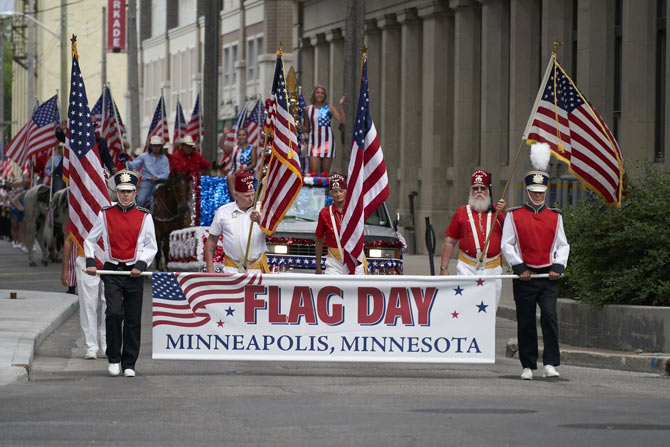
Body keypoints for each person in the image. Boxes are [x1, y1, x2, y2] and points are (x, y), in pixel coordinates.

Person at [84, 170, 157, 378]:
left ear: (135, 193)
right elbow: (90, 241)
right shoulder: (105, 213)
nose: (125, 195)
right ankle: (114, 358)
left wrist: (141, 265)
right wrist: (90, 261)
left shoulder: (145, 216)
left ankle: (129, 363)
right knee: (114, 313)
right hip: (112, 270)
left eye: (129, 191)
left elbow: (152, 246)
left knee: (133, 319)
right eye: (122, 191)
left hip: (134, 272)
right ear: (116, 192)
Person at [501, 170, 570, 381]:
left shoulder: (555, 216)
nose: (537, 196)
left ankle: (550, 363)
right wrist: (519, 267)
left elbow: (563, 244)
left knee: (550, 318)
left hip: (548, 277)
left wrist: (558, 266)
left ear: (545, 192)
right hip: (525, 276)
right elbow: (507, 244)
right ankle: (528, 365)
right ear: (527, 191)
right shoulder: (514, 215)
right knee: (526, 321)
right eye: (533, 192)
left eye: (541, 192)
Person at [440, 170, 506, 307]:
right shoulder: (461, 212)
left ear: (489, 191)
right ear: (471, 191)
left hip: (492, 269)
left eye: (483, 188)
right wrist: (443, 267)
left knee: (490, 310)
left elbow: (512, 235)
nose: (479, 191)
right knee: (465, 308)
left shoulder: (498, 213)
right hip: (467, 268)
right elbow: (450, 241)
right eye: (475, 188)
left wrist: (505, 212)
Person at [205, 172, 269, 273]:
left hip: (257, 269)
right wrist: (210, 268)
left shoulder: (262, 209)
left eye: (253, 194)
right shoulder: (223, 211)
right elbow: (211, 242)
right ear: (236, 195)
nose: (251, 199)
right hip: (232, 269)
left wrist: (260, 220)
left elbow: (272, 232)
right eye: (247, 196)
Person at [62, 236, 107, 359]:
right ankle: (90, 346)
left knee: (111, 305)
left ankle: (108, 344)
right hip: (85, 258)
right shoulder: (82, 215)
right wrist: (65, 269)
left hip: (110, 258)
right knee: (87, 305)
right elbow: (68, 240)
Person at [315, 173, 365, 275]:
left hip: (354, 258)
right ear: (330, 193)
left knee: (356, 289)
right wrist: (318, 266)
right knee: (332, 288)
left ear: (346, 192)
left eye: (341, 191)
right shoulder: (324, 213)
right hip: (334, 261)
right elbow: (319, 240)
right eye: (335, 191)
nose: (338, 194)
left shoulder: (355, 210)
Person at [302, 85, 346, 174]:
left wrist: (341, 105)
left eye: (322, 93)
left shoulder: (329, 107)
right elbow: (306, 128)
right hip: (313, 142)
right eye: (318, 92)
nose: (320, 95)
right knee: (314, 173)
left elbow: (343, 121)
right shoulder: (308, 109)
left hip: (327, 142)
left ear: (325, 95)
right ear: (314, 94)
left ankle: (325, 188)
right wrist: (298, 126)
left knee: (325, 173)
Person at [127, 135, 170, 208]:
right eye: (154, 145)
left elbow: (166, 173)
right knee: (140, 200)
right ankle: (138, 217)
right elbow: (133, 165)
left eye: (158, 145)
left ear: (161, 147)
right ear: (150, 146)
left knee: (170, 200)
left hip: (161, 183)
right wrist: (126, 159)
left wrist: (158, 177)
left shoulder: (165, 158)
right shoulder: (144, 156)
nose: (156, 147)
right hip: (147, 182)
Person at [220, 128, 257, 198]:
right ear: (237, 137)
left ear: (247, 136)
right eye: (239, 135)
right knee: (230, 176)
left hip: (247, 172)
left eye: (243, 135)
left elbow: (254, 163)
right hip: (234, 172)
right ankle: (236, 199)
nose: (241, 137)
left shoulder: (251, 148)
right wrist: (224, 134)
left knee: (239, 177)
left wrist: (243, 170)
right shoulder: (234, 148)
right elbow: (221, 146)